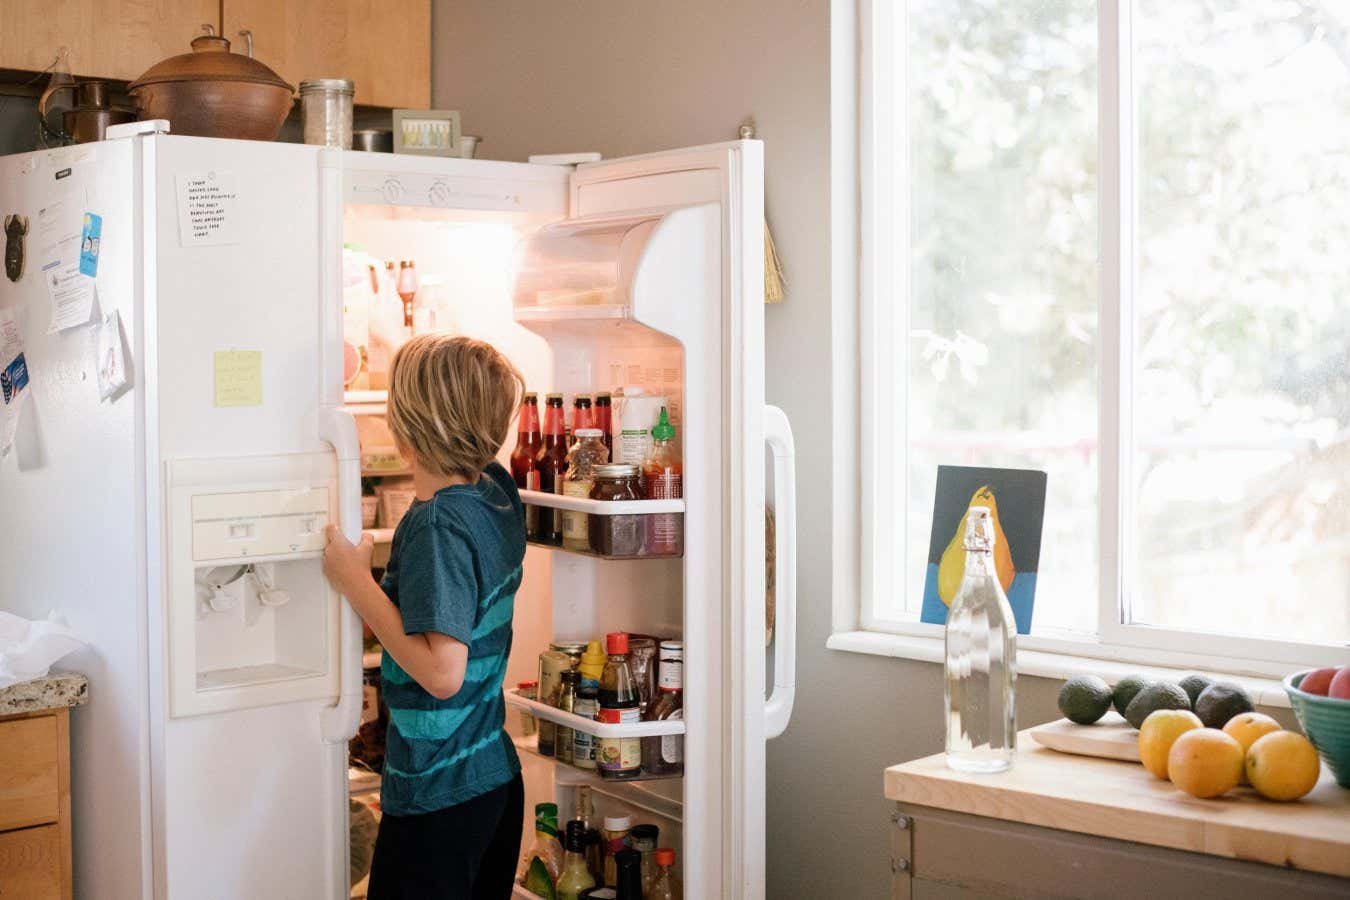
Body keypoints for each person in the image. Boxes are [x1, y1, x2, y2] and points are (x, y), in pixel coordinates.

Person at [323, 334, 528, 900]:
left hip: (442, 792)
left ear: (405, 427)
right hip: (493, 780)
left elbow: (443, 673)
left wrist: (356, 582)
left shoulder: (436, 527)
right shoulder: (496, 494)